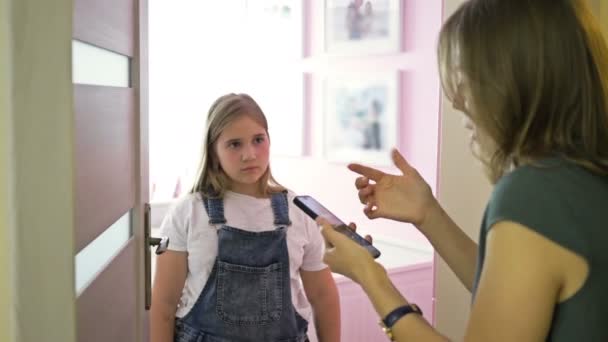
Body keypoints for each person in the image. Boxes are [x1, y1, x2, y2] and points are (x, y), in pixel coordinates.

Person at [318, 0, 608, 341]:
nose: (456, 100)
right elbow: (512, 294)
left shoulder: (532, 193)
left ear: (513, 79)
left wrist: (370, 277)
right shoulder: (583, 179)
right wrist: (429, 215)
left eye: (465, 76)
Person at [151, 93, 340, 342]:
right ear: (213, 151)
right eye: (234, 144)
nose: (249, 154)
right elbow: (163, 305)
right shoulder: (188, 212)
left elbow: (323, 296)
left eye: (258, 140)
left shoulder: (299, 213)